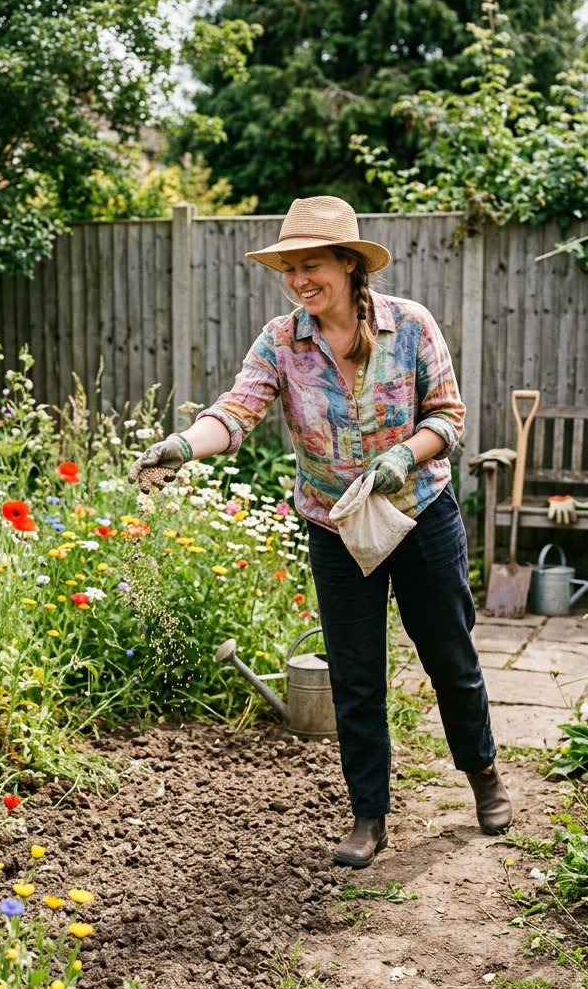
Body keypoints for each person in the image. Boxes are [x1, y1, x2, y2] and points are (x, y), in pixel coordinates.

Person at [128, 195, 511, 868]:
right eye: (290, 269)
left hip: (420, 516)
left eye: (312, 266)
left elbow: (449, 417)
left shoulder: (412, 328)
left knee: (450, 656)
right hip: (337, 527)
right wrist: (183, 446)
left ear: (348, 265)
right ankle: (369, 816)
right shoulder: (281, 340)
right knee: (355, 676)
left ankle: (483, 775)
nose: (301, 280)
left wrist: (405, 454)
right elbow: (237, 411)